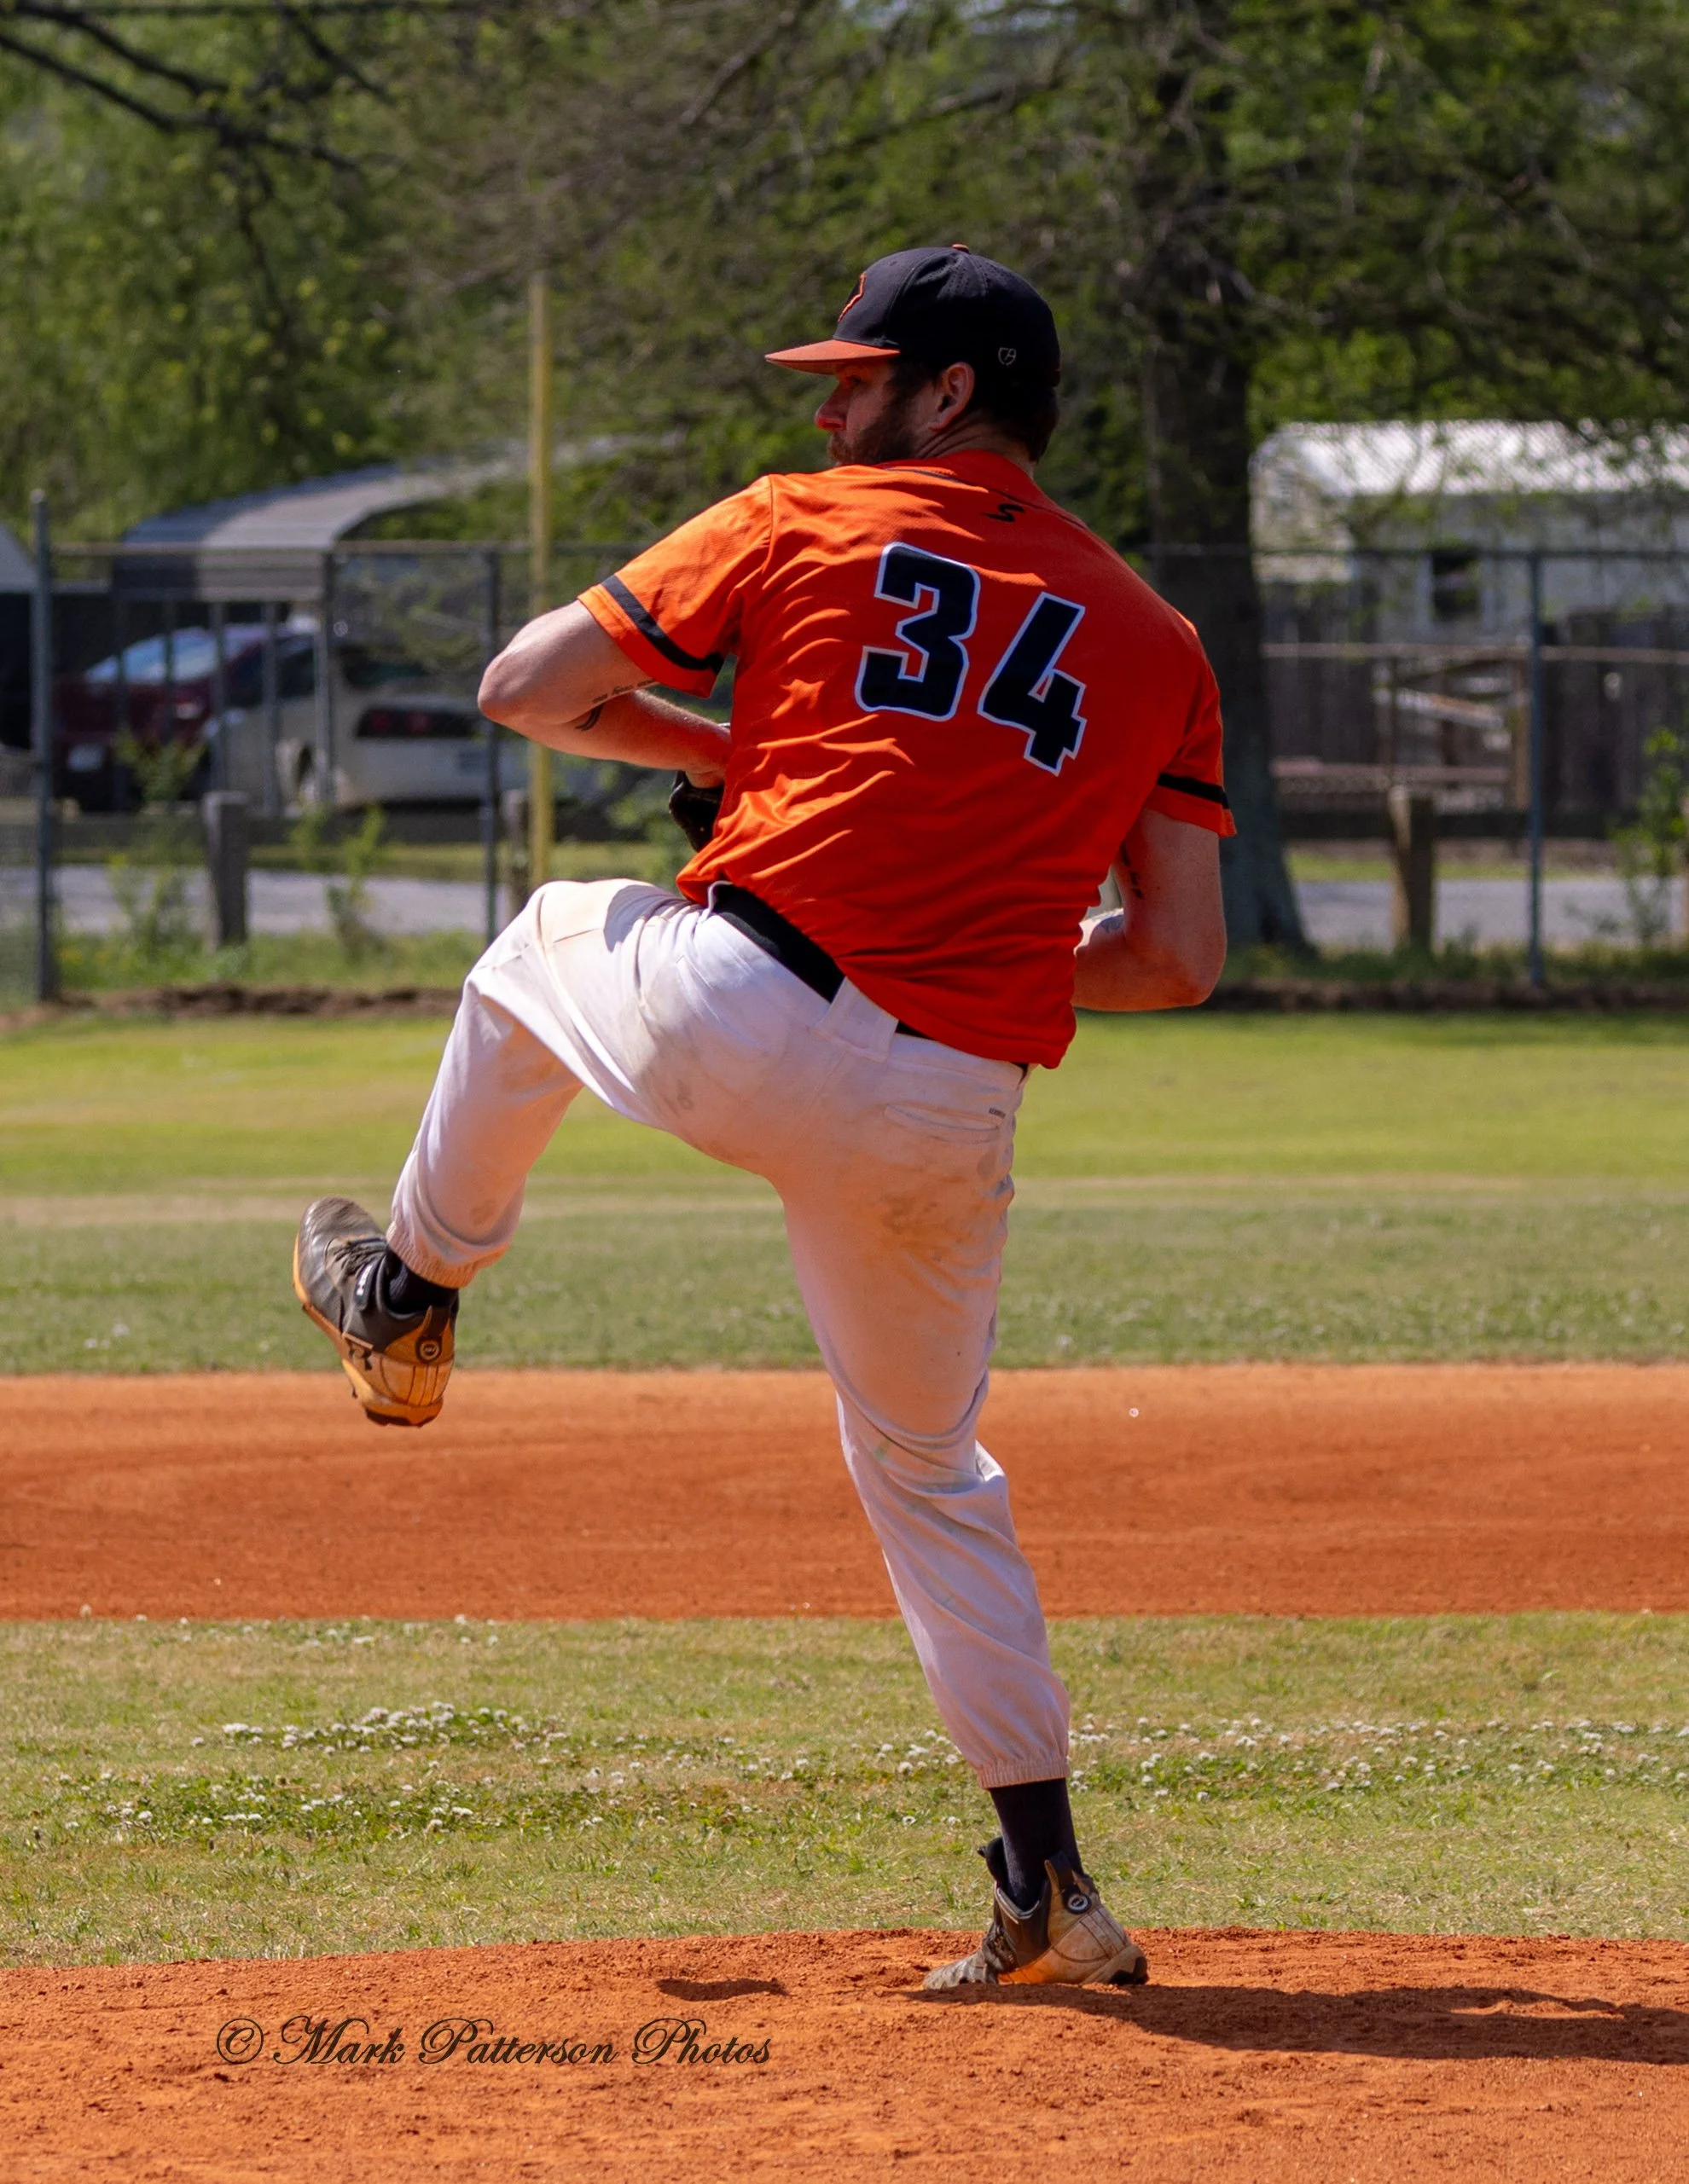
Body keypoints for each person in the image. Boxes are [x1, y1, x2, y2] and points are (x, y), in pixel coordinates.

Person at [293, 244, 1230, 1990]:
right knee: (934, 1470)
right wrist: (978, 931)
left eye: (858, 375)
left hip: (748, 998)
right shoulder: (1161, 640)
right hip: (952, 1099)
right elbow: (1178, 955)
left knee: (529, 953)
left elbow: (522, 688)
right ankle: (1050, 1880)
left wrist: (738, 759)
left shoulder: (802, 517)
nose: (826, 403)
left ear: (946, 395)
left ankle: (410, 1291)